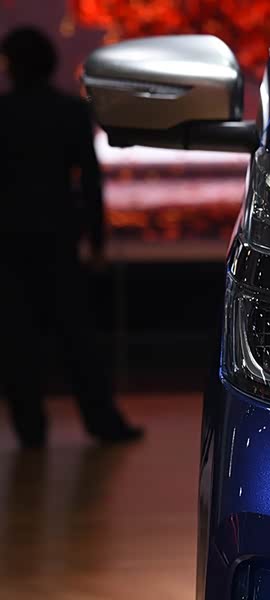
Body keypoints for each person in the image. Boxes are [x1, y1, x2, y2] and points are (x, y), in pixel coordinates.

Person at [0, 27, 142, 447]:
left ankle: (30, 430)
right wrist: (96, 243)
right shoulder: (69, 111)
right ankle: (102, 422)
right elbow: (90, 182)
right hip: (58, 238)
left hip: (8, 240)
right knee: (77, 338)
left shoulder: (2, 113)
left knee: (17, 341)